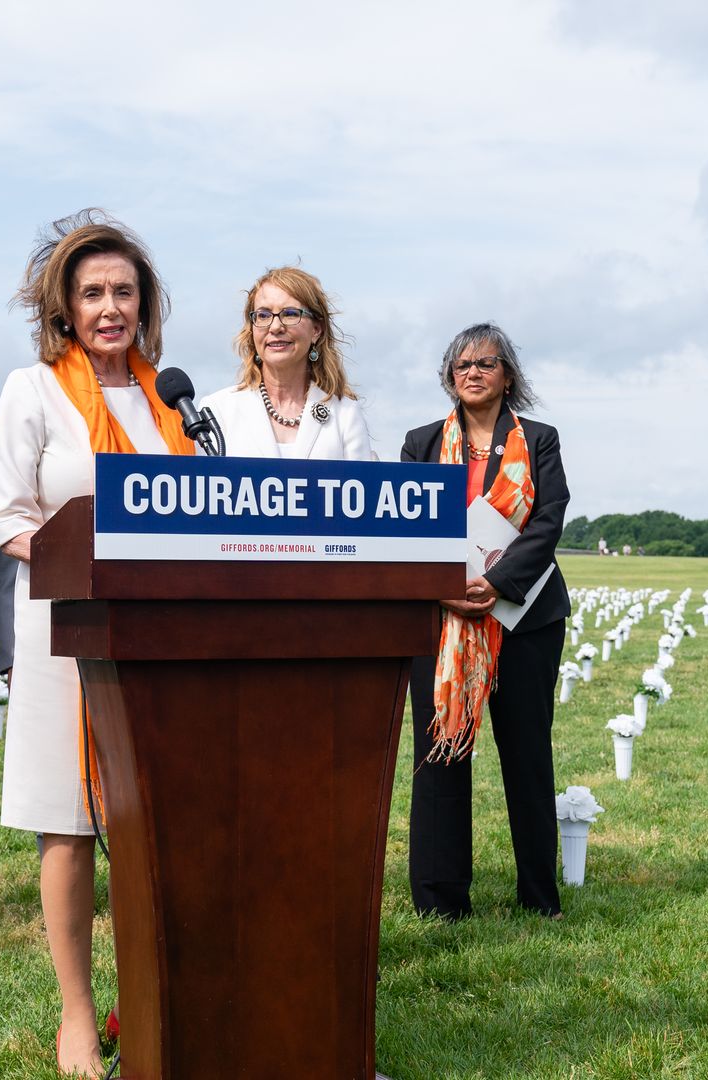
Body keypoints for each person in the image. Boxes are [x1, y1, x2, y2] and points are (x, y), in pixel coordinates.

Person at [0, 209, 196, 1077]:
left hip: (165, 636)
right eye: (92, 293)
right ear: (64, 309)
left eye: (124, 292)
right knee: (68, 823)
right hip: (65, 628)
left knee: (162, 823)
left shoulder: (175, 403)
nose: (110, 307)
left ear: (146, 306)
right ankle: (77, 1017)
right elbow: (5, 515)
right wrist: (81, 557)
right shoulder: (29, 390)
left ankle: (156, 996)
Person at [401, 323, 571, 920]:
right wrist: (445, 589)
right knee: (441, 752)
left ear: (508, 375)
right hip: (440, 622)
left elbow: (549, 519)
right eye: (461, 364)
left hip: (525, 620)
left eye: (486, 363)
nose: (472, 372)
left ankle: (537, 896)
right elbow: (410, 529)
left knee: (527, 754)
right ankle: (440, 901)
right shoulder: (421, 444)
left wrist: (497, 582)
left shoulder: (540, 440)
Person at [199, 266, 374, 459]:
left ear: (316, 329)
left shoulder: (345, 414)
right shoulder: (217, 409)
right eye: (263, 315)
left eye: (290, 314)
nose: (275, 327)